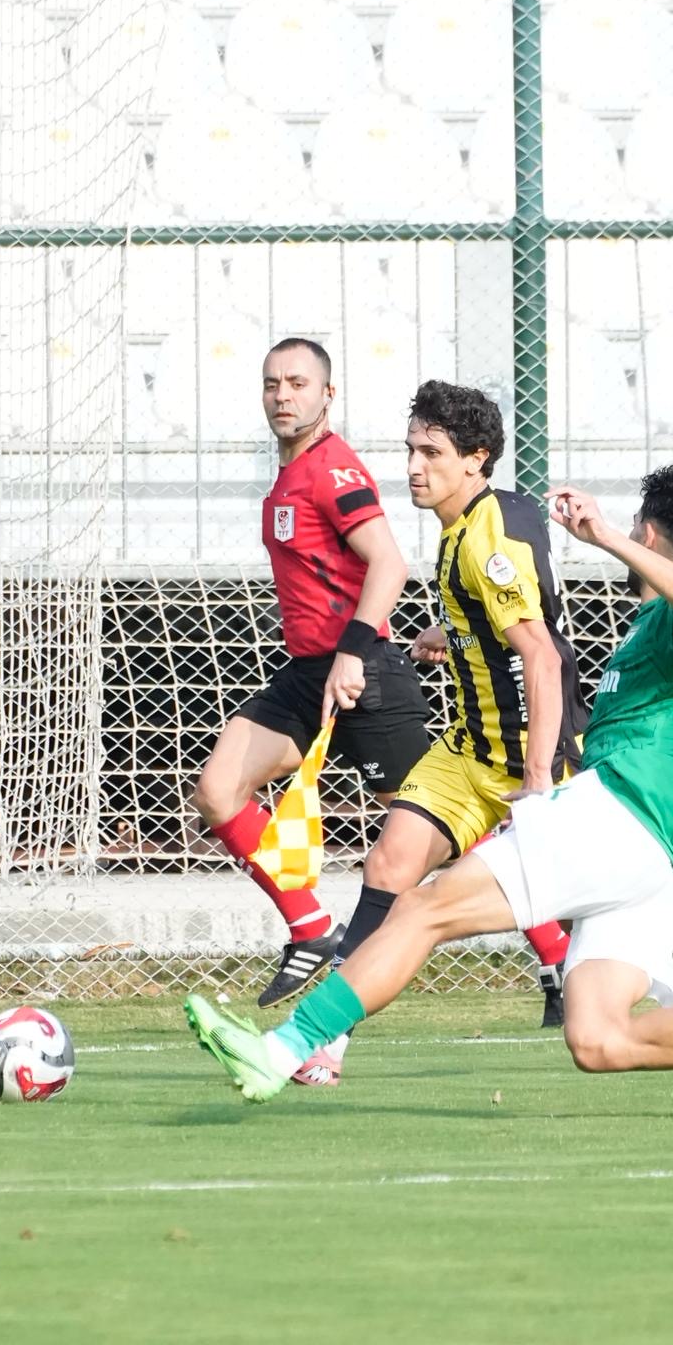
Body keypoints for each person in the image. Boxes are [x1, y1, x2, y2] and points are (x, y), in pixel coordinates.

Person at [185, 464, 673, 1104]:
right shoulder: (647, 631)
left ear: (646, 534)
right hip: (653, 861)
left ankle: (282, 1052)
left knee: (420, 909)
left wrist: (603, 535)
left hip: (616, 819)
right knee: (599, 1040)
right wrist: (462, 635)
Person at [191, 337, 432, 1005]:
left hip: (364, 673)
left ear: (328, 394)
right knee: (218, 789)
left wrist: (353, 653)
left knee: (440, 830)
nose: (282, 396)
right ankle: (310, 926)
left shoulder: (332, 467)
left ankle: (561, 950)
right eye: (272, 384)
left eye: (298, 383)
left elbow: (389, 563)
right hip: (305, 673)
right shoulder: (288, 472)